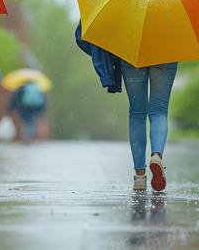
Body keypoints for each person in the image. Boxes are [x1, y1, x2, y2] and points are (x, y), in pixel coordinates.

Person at [75, 21, 178, 192]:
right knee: (159, 111)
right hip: (166, 46)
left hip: (132, 47)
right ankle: (156, 155)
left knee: (137, 113)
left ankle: (139, 177)